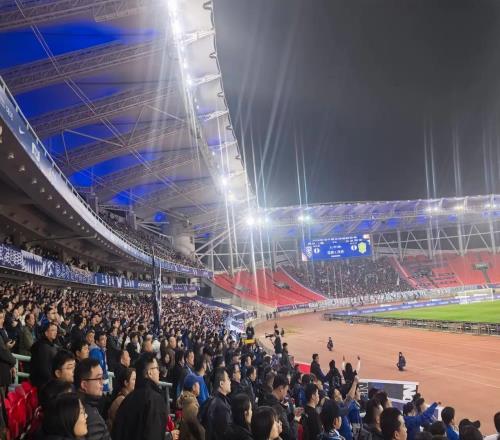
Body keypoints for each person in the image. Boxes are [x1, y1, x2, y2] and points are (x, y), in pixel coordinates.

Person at [112, 352, 179, 440]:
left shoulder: (127, 399)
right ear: (149, 373)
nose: (159, 372)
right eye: (157, 368)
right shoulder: (155, 400)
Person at [74, 358, 110, 440]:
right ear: (84, 385)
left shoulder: (81, 404)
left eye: (102, 378)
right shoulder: (87, 415)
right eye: (99, 378)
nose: (102, 382)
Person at [259, 374, 300, 440]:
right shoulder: (277, 408)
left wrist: (292, 414)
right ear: (281, 389)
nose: (286, 393)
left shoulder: (265, 398)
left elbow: (283, 423)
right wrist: (296, 420)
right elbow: (290, 435)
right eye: (286, 390)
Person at [200, 367, 232, 440]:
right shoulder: (221, 407)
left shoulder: (209, 400)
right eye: (228, 379)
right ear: (221, 383)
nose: (230, 382)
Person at [30, 322, 59, 388]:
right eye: (53, 330)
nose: (55, 332)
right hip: (43, 383)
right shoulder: (43, 347)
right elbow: (44, 368)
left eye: (56, 330)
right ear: (46, 333)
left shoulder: (50, 344)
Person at [177, 373, 204, 440]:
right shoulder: (191, 406)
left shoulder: (185, 402)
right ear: (193, 387)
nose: (199, 386)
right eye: (198, 383)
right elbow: (200, 431)